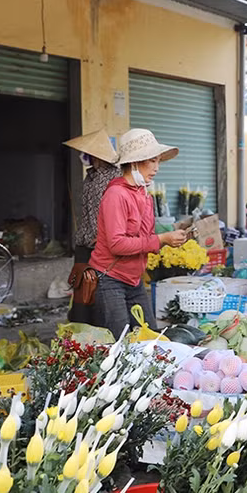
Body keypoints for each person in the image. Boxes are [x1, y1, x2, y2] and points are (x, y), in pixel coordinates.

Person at [90, 129, 188, 339]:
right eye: (152, 161)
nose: (156, 168)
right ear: (134, 162)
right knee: (121, 344)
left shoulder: (143, 193)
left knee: (149, 339)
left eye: (158, 161)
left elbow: (144, 235)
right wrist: (160, 240)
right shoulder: (116, 195)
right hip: (110, 278)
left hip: (134, 279)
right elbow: (116, 244)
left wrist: (167, 237)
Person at [64, 130, 122, 325]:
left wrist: (103, 238)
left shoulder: (113, 177)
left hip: (100, 246)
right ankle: (82, 332)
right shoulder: (91, 176)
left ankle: (99, 333)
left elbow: (113, 213)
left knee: (97, 294)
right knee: (82, 293)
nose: (83, 156)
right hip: (84, 244)